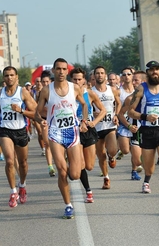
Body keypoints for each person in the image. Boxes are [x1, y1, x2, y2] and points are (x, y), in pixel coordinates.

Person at [35, 58, 89, 218]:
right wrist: (41, 120)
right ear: (53, 71)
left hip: (72, 132)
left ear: (67, 71)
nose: (61, 72)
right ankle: (68, 205)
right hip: (55, 133)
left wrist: (84, 121)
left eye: (64, 69)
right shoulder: (46, 90)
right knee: (61, 171)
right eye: (58, 69)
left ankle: (69, 166)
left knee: (75, 175)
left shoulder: (75, 88)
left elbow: (85, 105)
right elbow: (37, 112)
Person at [128, 60, 159, 215]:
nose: (154, 72)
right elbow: (130, 112)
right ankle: (147, 177)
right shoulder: (141, 90)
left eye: (157, 70)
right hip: (146, 132)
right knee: (149, 167)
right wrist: (145, 116)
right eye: (151, 70)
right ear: (147, 72)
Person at [0, 66, 37, 207]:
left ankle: (22, 185)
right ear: (3, 78)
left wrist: (21, 110)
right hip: (5, 130)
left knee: (23, 163)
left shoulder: (23, 93)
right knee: (10, 161)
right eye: (6, 75)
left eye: (11, 75)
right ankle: (13, 191)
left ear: (16, 77)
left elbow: (35, 112)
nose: (9, 77)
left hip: (20, 131)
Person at [70, 67, 106, 203]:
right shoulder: (67, 94)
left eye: (80, 79)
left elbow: (103, 110)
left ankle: (71, 168)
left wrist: (94, 122)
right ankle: (88, 191)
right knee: (81, 164)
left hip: (89, 131)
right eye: (75, 79)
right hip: (74, 131)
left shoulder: (90, 93)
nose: (78, 82)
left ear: (84, 80)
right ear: (71, 80)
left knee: (90, 166)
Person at [92, 66, 121, 189]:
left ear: (105, 75)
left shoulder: (112, 90)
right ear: (94, 76)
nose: (100, 75)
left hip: (110, 125)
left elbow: (118, 103)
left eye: (102, 73)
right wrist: (92, 114)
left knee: (112, 149)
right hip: (97, 126)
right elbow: (85, 108)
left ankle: (112, 156)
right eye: (97, 73)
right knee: (101, 155)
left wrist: (116, 115)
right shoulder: (91, 91)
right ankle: (106, 178)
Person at [117, 69, 145, 180]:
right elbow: (120, 113)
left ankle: (134, 171)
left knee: (138, 160)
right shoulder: (129, 98)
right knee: (125, 150)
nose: (133, 83)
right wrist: (128, 125)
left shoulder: (150, 97)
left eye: (136, 80)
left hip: (140, 129)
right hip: (126, 125)